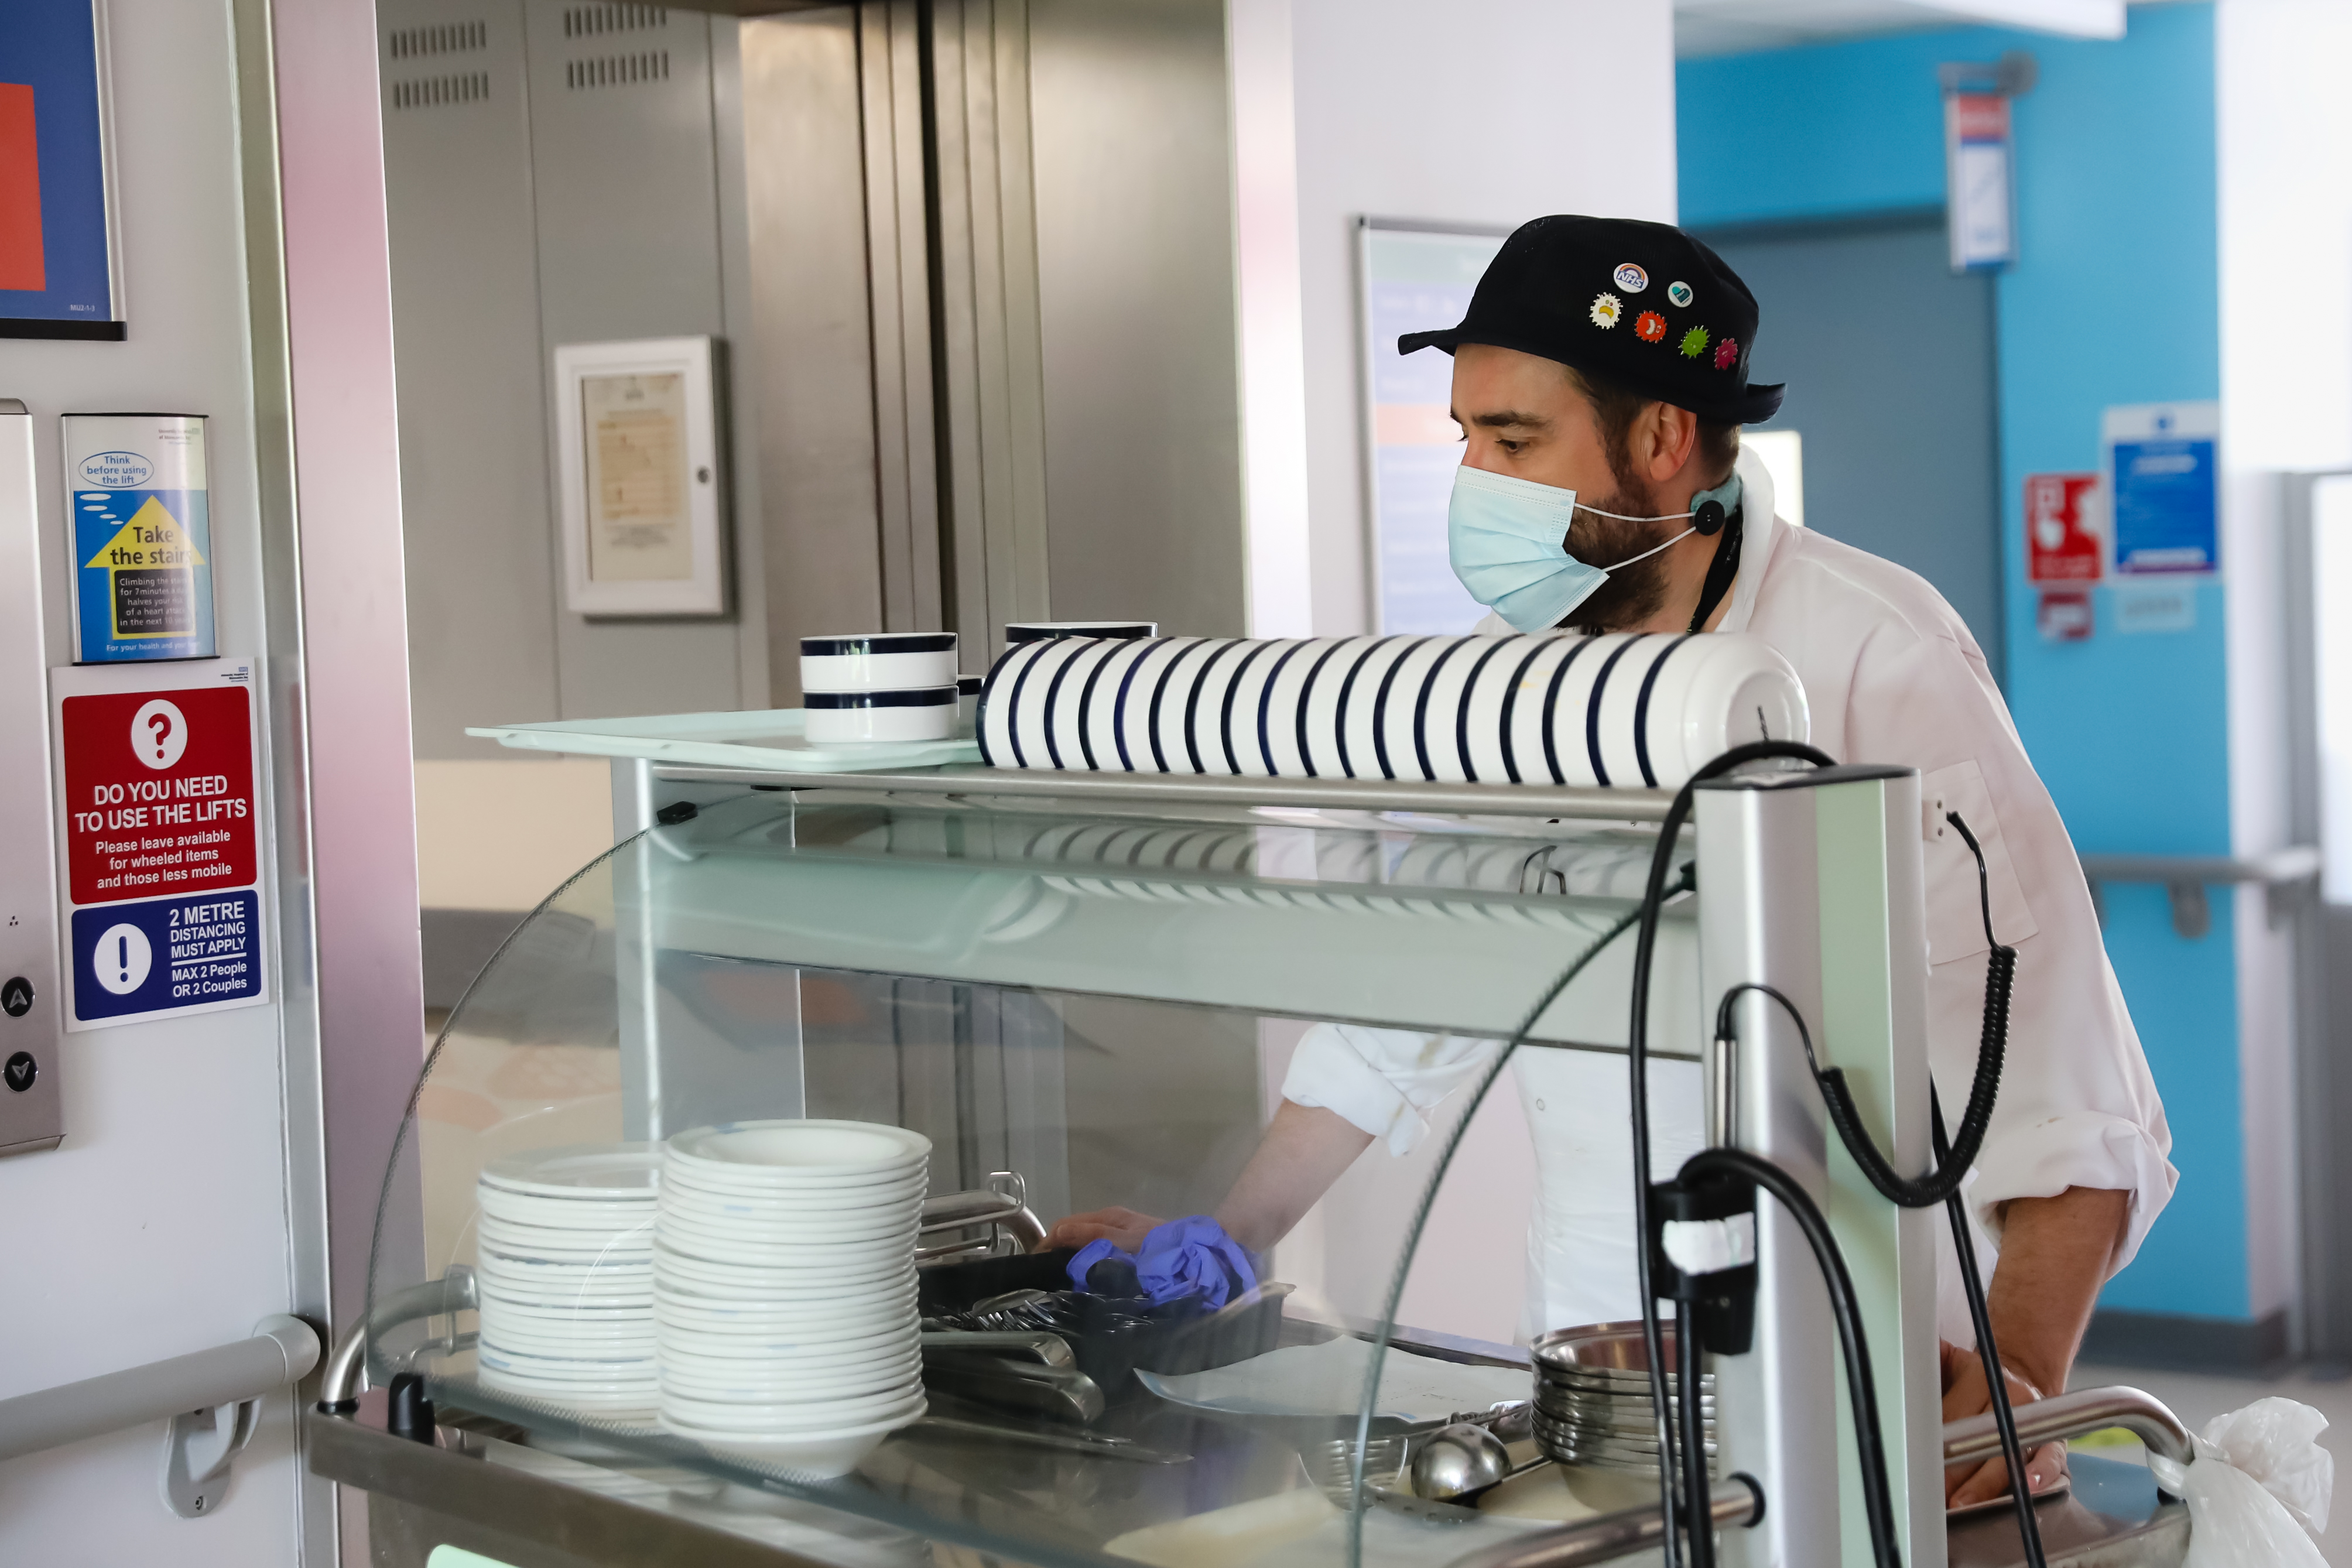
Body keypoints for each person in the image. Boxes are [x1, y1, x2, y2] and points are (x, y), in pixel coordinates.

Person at [1045, 215, 2174, 1507]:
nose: (1471, 478)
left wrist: (2013, 1385)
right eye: (1465, 437)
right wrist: (1228, 1237)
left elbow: (2056, 1077)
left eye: (1512, 440)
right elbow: (1404, 1006)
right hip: (1587, 1381)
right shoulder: (1505, 672)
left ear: (1659, 437)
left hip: (1870, 1383)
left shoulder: (1874, 657)